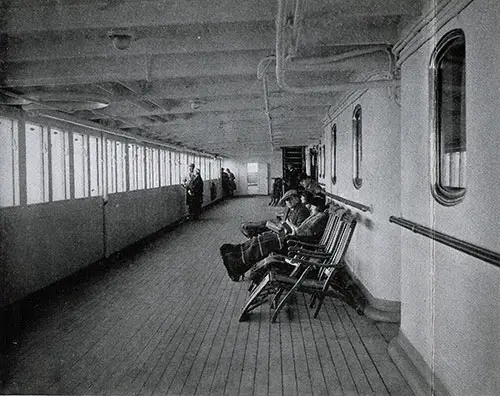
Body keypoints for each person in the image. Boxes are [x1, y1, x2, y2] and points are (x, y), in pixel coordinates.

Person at [220, 194, 328, 281]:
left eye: (311, 205)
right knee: (262, 238)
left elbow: (302, 232)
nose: (309, 206)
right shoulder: (316, 215)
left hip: (296, 244)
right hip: (294, 240)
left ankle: (239, 264)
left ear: (317, 206)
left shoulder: (319, 217)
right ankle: (236, 252)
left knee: (265, 242)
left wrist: (288, 224)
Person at [240, 189, 310, 239]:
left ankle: (251, 236)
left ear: (297, 198)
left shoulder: (302, 211)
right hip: (280, 226)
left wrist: (283, 226)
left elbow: (298, 232)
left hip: (283, 232)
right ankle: (250, 233)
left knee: (254, 228)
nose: (288, 202)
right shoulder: (291, 208)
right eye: (286, 200)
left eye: (290, 199)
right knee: (248, 226)